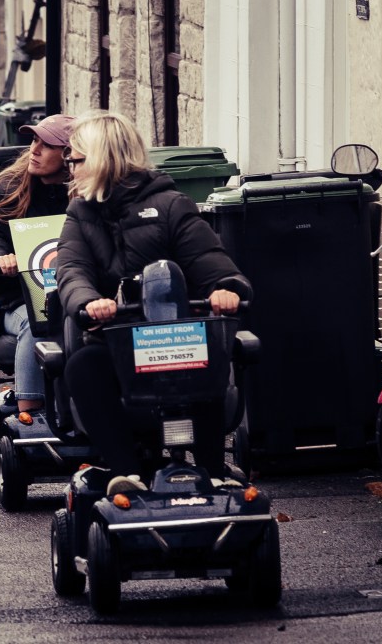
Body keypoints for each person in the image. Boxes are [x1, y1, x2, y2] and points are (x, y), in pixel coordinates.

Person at [55, 110, 252, 495]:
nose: (70, 169)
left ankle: (211, 467)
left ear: (102, 159)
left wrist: (227, 289)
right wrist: (89, 302)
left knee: (207, 352)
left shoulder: (171, 206)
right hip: (117, 342)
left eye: (75, 160)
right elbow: (72, 270)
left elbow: (213, 264)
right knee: (82, 365)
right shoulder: (80, 214)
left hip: (176, 338)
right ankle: (126, 473)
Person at [0, 114, 74, 417]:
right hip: (18, 300)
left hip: (78, 296)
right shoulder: (9, 188)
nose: (35, 150)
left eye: (47, 145)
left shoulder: (87, 191)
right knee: (39, 318)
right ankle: (29, 410)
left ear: (70, 154)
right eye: (34, 141)